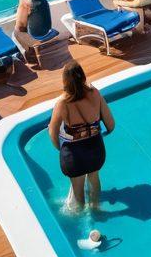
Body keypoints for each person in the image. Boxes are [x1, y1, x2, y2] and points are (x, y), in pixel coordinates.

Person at [49, 60, 115, 211]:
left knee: (78, 196)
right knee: (94, 179)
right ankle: (96, 209)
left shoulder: (62, 103)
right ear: (83, 76)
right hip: (96, 150)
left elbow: (52, 133)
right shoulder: (95, 93)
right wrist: (101, 134)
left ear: (65, 81)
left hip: (73, 156)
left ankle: (82, 218)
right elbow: (111, 125)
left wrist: (61, 149)